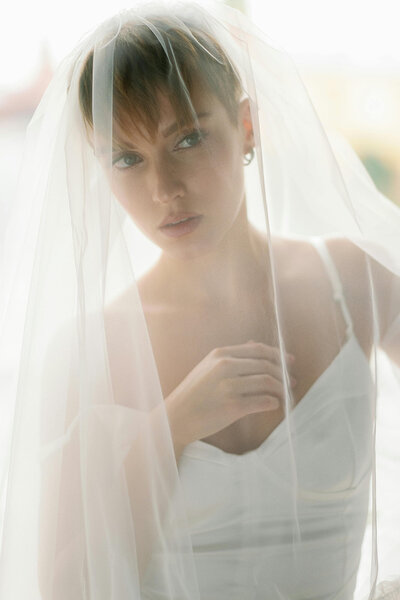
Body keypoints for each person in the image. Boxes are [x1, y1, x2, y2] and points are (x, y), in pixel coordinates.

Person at [0, 3, 399, 600]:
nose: (164, 188)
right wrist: (170, 428)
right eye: (127, 158)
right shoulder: (89, 352)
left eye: (187, 139)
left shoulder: (356, 280)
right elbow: (66, 589)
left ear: (246, 126)